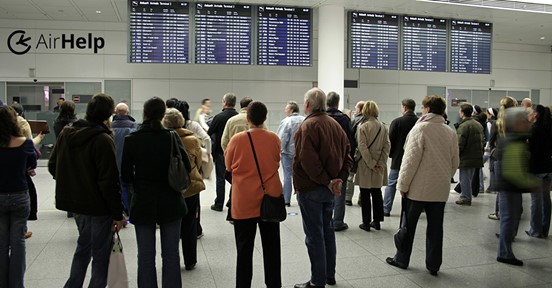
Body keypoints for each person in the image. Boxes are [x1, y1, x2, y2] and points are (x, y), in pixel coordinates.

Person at [48, 93, 126, 288]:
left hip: (76, 204)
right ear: (108, 115)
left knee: (83, 247)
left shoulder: (67, 133)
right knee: (100, 255)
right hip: (99, 206)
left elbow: (52, 166)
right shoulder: (103, 139)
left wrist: (73, 181)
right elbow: (109, 182)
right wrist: (118, 213)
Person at [121, 97, 191, 287]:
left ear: (144, 113)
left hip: (143, 202)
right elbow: (186, 165)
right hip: (172, 202)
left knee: (145, 255)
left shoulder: (132, 139)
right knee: (171, 254)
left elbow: (125, 176)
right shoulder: (171, 136)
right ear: (162, 115)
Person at [385, 95, 459, 276]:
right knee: (435, 228)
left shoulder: (420, 129)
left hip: (417, 190)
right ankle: (433, 264)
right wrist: (444, 177)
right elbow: (455, 161)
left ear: (426, 108)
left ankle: (401, 259)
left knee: (408, 226)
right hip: (440, 190)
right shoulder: (449, 131)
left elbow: (409, 162)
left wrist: (403, 185)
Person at [293, 88, 352, 288]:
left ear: (308, 105)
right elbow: (348, 157)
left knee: (314, 235)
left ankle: (317, 280)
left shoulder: (308, 126)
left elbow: (307, 161)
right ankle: (329, 274)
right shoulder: (336, 125)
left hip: (311, 189)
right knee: (327, 232)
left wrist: (327, 180)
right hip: (329, 190)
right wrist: (338, 180)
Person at [225, 101, 282, 288]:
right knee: (272, 249)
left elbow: (228, 167)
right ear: (265, 118)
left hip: (243, 202)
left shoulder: (237, 140)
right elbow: (276, 161)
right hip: (270, 200)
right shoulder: (274, 138)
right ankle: (273, 284)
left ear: (248, 118)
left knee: (244, 250)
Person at [495, 108, 539, 266]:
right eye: (525, 121)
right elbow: (514, 172)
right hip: (510, 188)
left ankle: (505, 251)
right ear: (518, 123)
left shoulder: (512, 139)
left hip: (509, 187)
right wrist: (533, 183)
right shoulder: (514, 142)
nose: (528, 124)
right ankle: (504, 253)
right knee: (509, 219)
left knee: (511, 218)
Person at [162, 108, 205, 271]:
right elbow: (198, 162)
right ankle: (190, 260)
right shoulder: (192, 139)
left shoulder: (162, 140)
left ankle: (171, 259)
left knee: (170, 224)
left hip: (169, 188)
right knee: (190, 224)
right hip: (190, 186)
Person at [0, 106, 37, 288]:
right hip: (19, 196)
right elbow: (32, 164)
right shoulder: (25, 143)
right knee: (18, 242)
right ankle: (16, 285)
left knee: (1, 244)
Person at [11, 103, 44, 239]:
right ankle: (22, 231)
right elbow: (32, 159)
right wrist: (40, 138)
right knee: (18, 240)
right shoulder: (24, 137)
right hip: (19, 184)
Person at [355, 100, 390, 231]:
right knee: (377, 193)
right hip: (379, 165)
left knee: (365, 194)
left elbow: (362, 147)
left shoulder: (362, 127)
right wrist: (380, 163)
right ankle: (377, 221)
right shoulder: (383, 127)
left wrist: (371, 163)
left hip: (366, 164)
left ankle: (366, 222)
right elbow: (387, 146)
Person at [383, 99, 417, 217]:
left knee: (391, 184)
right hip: (414, 159)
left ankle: (386, 208)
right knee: (412, 184)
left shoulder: (397, 122)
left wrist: (391, 155)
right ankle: (411, 209)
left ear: (404, 107)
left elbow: (390, 141)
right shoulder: (419, 123)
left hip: (398, 159)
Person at [326, 92, 354, 232]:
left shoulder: (320, 118)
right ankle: (337, 222)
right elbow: (350, 141)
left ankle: (325, 220)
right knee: (339, 190)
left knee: (324, 189)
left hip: (324, 161)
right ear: (337, 103)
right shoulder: (344, 119)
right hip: (340, 160)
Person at [488, 97, 518, 220]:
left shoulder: (497, 123)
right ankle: (514, 213)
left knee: (502, 190)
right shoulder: (519, 122)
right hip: (514, 158)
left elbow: (491, 142)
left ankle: (499, 212)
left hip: (499, 158)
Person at [208, 93, 238, 212]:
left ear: (225, 103)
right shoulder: (237, 117)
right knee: (234, 179)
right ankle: (231, 202)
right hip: (236, 153)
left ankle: (219, 203)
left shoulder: (219, 117)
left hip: (221, 153)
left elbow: (209, 133)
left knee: (220, 179)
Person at [526, 105, 552, 238]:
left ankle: (535, 230)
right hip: (548, 168)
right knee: (546, 200)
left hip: (536, 168)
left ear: (536, 115)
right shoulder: (549, 128)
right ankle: (544, 229)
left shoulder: (534, 130)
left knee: (536, 201)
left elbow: (529, 150)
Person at [277, 101, 305, 206]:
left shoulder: (286, 121)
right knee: (300, 177)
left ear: (292, 110)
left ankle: (286, 200)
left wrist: (280, 150)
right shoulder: (304, 120)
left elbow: (282, 138)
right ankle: (300, 198)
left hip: (288, 154)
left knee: (287, 177)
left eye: (286, 108)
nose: (285, 110)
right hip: (301, 154)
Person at [455, 103, 484, 206]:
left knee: (464, 178)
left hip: (466, 156)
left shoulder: (463, 126)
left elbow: (460, 143)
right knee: (469, 178)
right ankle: (466, 195)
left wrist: (456, 155)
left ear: (462, 113)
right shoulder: (478, 124)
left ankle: (466, 197)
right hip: (476, 155)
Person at [346, 100, 365, 206]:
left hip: (354, 153)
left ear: (359, 109)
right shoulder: (369, 120)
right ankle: (362, 199)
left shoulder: (354, 120)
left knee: (350, 177)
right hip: (365, 154)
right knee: (363, 178)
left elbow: (349, 136)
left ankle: (348, 198)